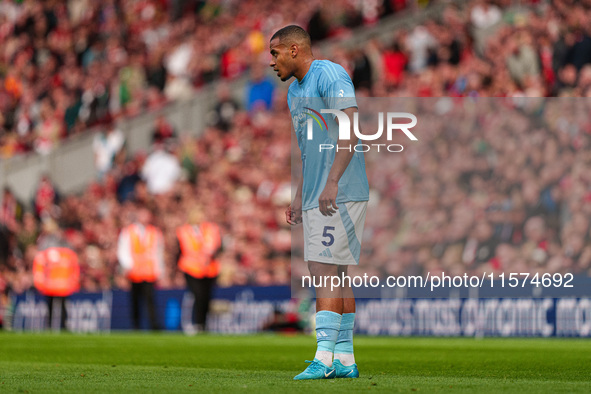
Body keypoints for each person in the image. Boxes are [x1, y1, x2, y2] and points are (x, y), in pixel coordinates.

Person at [269, 25, 369, 380]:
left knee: (323, 268)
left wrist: (331, 181)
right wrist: (300, 193)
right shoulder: (294, 93)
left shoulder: (329, 74)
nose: (273, 62)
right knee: (336, 272)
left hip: (339, 188)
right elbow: (307, 147)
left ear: (295, 50)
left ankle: (323, 359)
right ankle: (344, 359)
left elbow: (349, 128)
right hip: (318, 191)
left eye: (276, 53)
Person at [117, 206, 164, 330]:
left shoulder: (154, 232)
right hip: (134, 272)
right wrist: (127, 266)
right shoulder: (129, 231)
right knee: (135, 300)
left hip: (149, 272)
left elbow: (158, 253)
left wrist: (160, 270)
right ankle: (136, 324)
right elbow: (123, 250)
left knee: (150, 300)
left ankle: (153, 324)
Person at [176, 208, 222, 333]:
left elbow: (217, 246)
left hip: (208, 270)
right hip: (191, 269)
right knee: (198, 295)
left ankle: (203, 324)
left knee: (206, 297)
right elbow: (180, 250)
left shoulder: (210, 229)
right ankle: (197, 322)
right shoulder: (184, 231)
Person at [32, 245, 80, 331]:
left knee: (56, 308)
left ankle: (55, 326)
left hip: (55, 287)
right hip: (57, 287)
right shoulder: (66, 255)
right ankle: (59, 326)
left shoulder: (46, 255)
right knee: (56, 308)